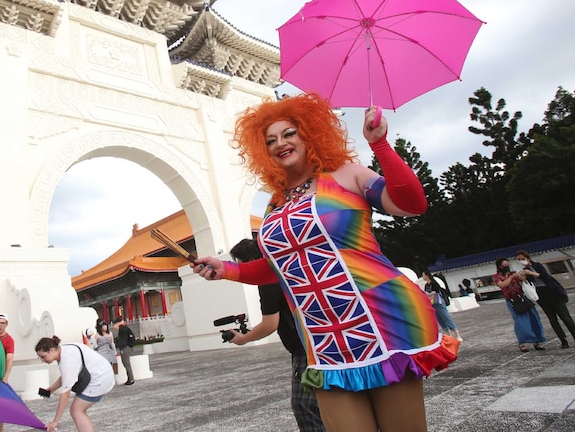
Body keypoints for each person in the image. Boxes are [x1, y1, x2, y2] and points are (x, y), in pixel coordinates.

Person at [191, 94, 458, 432]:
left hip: (382, 320)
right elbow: (278, 267)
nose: (280, 143)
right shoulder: (274, 206)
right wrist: (225, 269)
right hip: (323, 339)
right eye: (270, 140)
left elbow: (411, 203)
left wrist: (380, 145)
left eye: (289, 133)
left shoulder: (347, 175)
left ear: (309, 134)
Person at [228, 238, 326, 432]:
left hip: (305, 348)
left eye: (240, 264)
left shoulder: (267, 279)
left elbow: (270, 324)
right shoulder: (285, 269)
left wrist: (243, 338)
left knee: (305, 406)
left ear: (250, 261)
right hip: (319, 340)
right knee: (324, 402)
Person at [35, 335, 114, 432]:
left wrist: (55, 421)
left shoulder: (66, 359)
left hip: (100, 378)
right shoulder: (65, 350)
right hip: (102, 373)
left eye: (43, 357)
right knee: (77, 410)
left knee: (77, 411)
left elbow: (65, 394)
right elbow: (67, 375)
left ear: (51, 350)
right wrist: (52, 389)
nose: (43, 360)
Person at [515, 250, 575, 348]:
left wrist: (531, 272)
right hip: (541, 295)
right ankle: (563, 340)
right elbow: (529, 284)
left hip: (552, 292)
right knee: (552, 319)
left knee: (565, 317)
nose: (521, 261)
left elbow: (544, 276)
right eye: (519, 260)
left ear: (528, 258)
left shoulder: (537, 265)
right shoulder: (524, 271)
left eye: (522, 259)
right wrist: (523, 278)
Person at [493, 258, 546, 352]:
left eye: (507, 264)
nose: (507, 266)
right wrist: (512, 277)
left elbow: (523, 281)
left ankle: (537, 341)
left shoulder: (512, 273)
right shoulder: (496, 277)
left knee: (533, 318)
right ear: (500, 266)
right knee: (520, 321)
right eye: (504, 265)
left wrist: (522, 276)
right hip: (512, 300)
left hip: (522, 298)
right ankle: (522, 343)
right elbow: (502, 285)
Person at [421, 271, 463, 341]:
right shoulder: (426, 285)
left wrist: (429, 293)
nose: (423, 276)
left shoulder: (434, 283)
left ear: (427, 275)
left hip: (439, 302)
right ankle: (449, 334)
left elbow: (435, 291)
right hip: (432, 303)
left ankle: (457, 334)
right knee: (440, 319)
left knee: (446, 317)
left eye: (423, 275)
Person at [113, 317, 135, 385]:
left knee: (126, 363)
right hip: (126, 347)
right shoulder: (125, 328)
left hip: (124, 347)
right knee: (126, 363)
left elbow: (114, 327)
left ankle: (131, 379)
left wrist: (120, 323)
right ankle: (130, 378)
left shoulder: (122, 328)